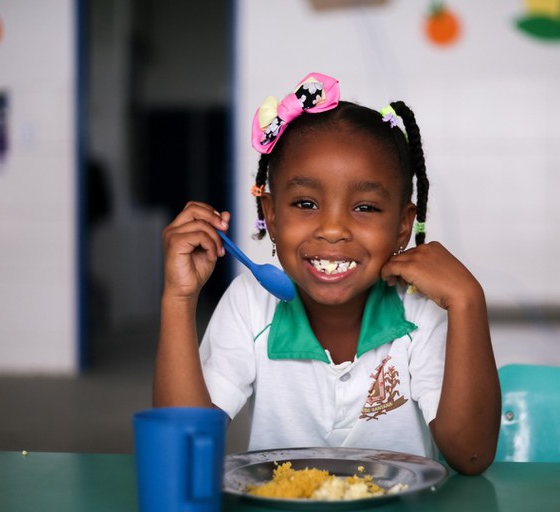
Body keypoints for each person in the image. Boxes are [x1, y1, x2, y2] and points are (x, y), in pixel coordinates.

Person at [153, 72, 500, 475]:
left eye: (365, 207)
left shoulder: (421, 309)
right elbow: (185, 451)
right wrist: (179, 298)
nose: (333, 229)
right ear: (271, 215)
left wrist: (468, 301)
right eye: (305, 203)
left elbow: (471, 455)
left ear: (403, 226)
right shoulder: (250, 301)